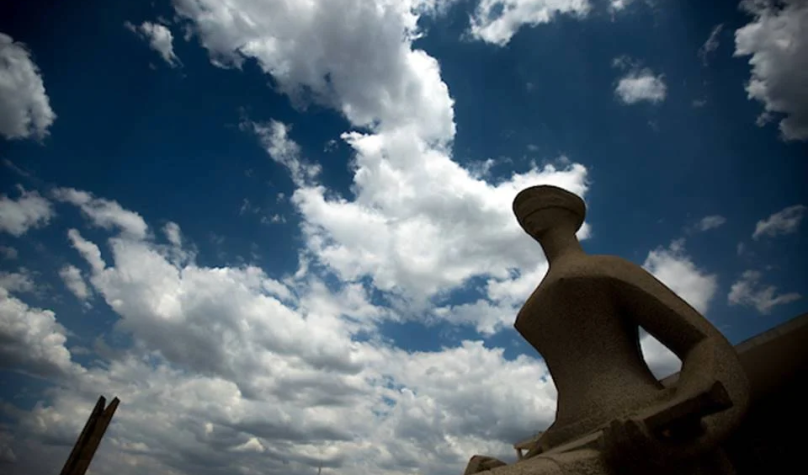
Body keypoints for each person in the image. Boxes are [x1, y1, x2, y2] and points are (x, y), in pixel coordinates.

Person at [463, 185, 749, 474]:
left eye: (535, 211)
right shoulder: (531, 310)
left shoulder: (606, 269)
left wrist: (688, 430)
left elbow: (706, 345)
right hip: (570, 441)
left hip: (634, 425)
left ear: (564, 214)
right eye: (524, 216)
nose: (529, 220)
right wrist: (526, 459)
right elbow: (576, 397)